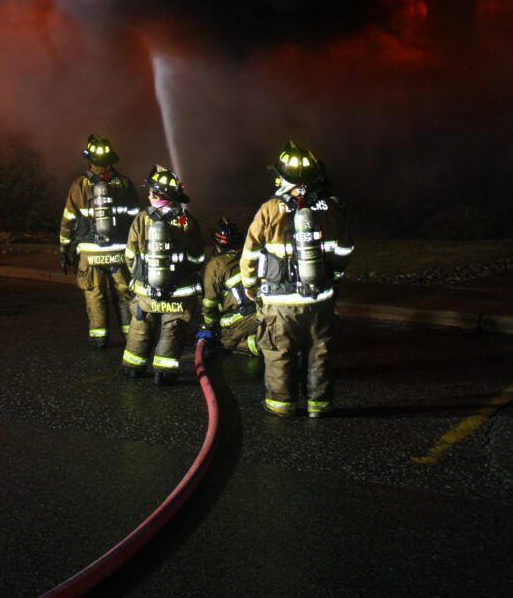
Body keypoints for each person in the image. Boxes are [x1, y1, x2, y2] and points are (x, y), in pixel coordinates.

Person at [240, 141, 353, 417]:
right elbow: (344, 250)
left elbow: (250, 254)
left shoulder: (269, 209)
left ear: (282, 177)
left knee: (279, 352)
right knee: (320, 351)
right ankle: (319, 405)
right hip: (320, 299)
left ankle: (281, 405)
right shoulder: (331, 208)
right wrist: (334, 278)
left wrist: (250, 286)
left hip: (280, 303)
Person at [121, 165, 205, 386]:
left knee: (140, 327)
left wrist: (143, 278)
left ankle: (133, 367)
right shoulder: (187, 221)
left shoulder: (141, 219)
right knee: (172, 331)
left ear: (158, 195)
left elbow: (129, 255)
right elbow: (197, 258)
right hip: (179, 295)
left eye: (151, 192)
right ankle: (164, 373)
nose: (148, 195)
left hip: (146, 293)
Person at [59, 134, 139, 348]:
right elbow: (135, 220)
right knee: (124, 294)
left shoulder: (79, 184)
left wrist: (64, 248)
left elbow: (68, 219)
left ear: (89, 159)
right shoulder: (124, 183)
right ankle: (130, 336)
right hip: (119, 253)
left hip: (90, 253)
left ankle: (99, 336)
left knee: (94, 293)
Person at [198, 216, 260, 357]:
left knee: (223, 341)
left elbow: (210, 302)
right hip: (260, 312)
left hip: (240, 317)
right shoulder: (247, 259)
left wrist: (208, 326)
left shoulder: (215, 265)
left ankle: (259, 345)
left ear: (217, 246)